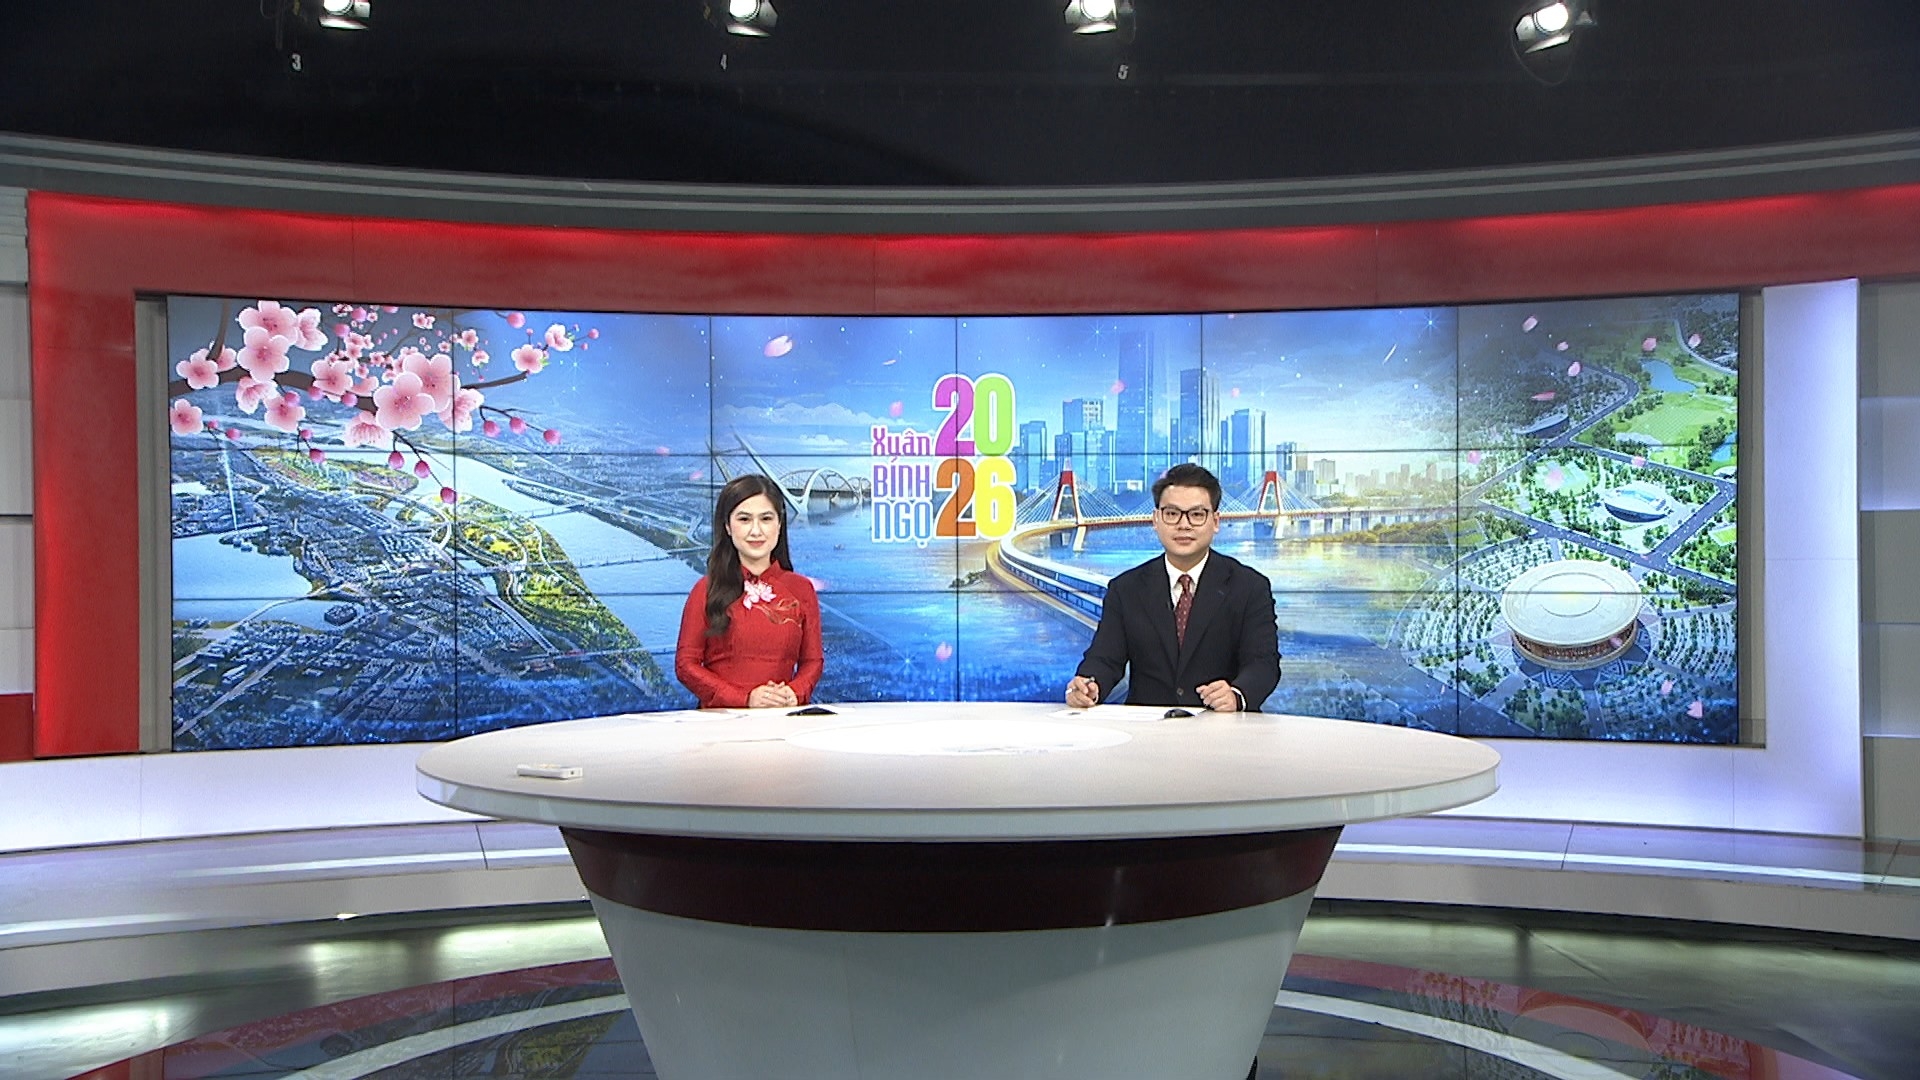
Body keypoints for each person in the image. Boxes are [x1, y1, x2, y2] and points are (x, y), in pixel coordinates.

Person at [1066, 463, 1280, 714]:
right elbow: (1104, 659)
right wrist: (1089, 685)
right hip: (1148, 728)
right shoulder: (1126, 589)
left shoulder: (1249, 587)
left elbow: (1263, 663)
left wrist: (1236, 695)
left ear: (1215, 521)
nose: (1184, 525)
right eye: (1172, 514)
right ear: (1156, 519)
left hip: (1222, 726)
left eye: (1197, 514)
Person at [676, 474, 824, 708]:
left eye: (766, 519)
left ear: (779, 524)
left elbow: (812, 661)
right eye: (744, 519)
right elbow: (686, 664)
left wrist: (795, 693)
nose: (756, 531)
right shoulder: (706, 589)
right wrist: (744, 699)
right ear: (727, 526)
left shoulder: (801, 589)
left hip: (781, 718)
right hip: (722, 721)